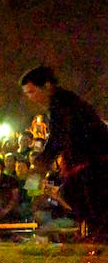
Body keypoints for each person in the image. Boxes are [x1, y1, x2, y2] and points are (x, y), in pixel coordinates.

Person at [20, 65, 108, 241]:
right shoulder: (59, 104)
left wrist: (41, 164)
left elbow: (58, 137)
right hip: (83, 161)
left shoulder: (64, 104)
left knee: (82, 195)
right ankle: (95, 233)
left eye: (32, 91)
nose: (30, 97)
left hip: (94, 160)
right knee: (73, 192)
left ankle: (99, 234)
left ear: (47, 86)